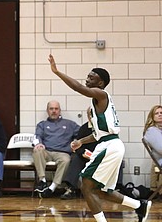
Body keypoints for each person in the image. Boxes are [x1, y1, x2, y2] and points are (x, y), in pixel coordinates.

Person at [48, 53, 152, 222]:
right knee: (100, 190)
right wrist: (81, 141)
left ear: (100, 83)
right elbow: (98, 134)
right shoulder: (95, 107)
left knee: (86, 185)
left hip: (110, 146)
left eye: (91, 77)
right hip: (108, 143)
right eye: (87, 76)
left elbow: (78, 88)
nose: (87, 79)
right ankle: (139, 206)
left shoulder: (101, 94)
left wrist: (57, 72)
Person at [32, 100, 80, 198]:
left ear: (60, 110)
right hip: (47, 151)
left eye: (56, 109)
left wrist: (76, 142)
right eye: (51, 109)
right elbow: (37, 136)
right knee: (37, 150)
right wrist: (39, 143)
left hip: (62, 152)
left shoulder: (69, 124)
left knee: (66, 160)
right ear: (47, 111)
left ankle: (52, 187)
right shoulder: (42, 124)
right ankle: (42, 181)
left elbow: (81, 134)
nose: (54, 111)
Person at [143, 105, 162, 197]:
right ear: (152, 116)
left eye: (161, 113)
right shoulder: (152, 131)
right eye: (157, 113)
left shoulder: (160, 130)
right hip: (160, 161)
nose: (160, 115)